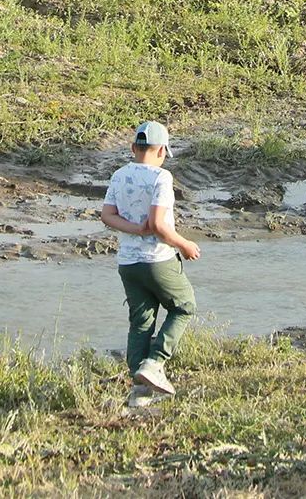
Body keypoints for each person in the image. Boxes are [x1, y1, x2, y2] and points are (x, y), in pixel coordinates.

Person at [101, 119, 201, 402]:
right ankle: (155, 362)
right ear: (161, 152)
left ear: (134, 147)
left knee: (141, 321)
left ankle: (139, 392)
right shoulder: (161, 178)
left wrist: (135, 230)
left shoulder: (119, 175)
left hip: (128, 263)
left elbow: (107, 215)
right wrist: (185, 244)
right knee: (184, 306)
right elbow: (158, 224)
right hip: (157, 260)